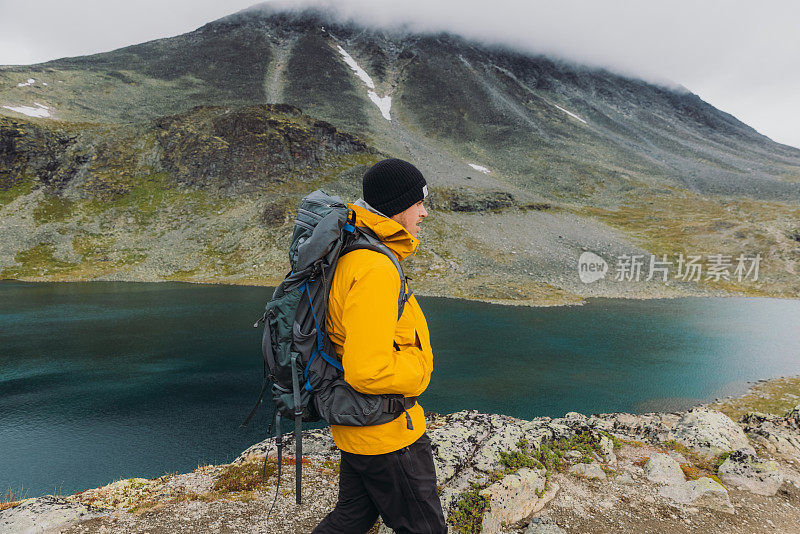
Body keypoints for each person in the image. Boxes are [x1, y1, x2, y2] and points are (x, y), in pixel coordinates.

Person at [312, 159, 446, 534]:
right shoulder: (374, 268)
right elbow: (367, 369)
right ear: (398, 207)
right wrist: (420, 371)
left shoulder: (356, 249)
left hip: (362, 428)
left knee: (351, 518)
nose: (424, 212)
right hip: (386, 434)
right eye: (419, 202)